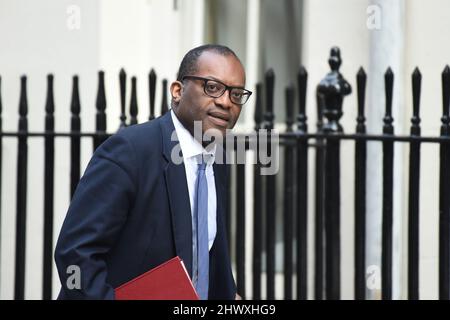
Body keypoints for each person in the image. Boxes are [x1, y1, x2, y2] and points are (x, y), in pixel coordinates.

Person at [54, 44, 252, 300]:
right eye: (212, 87)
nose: (226, 102)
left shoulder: (218, 160)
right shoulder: (129, 151)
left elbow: (206, 253)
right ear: (178, 91)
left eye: (236, 94)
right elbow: (74, 255)